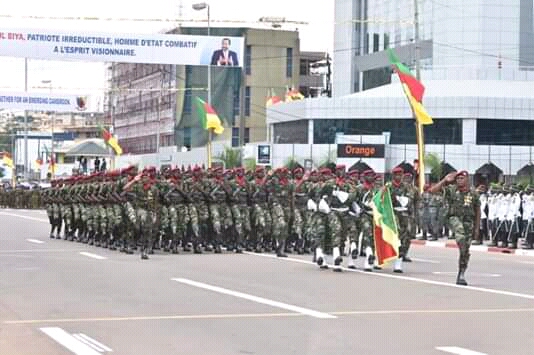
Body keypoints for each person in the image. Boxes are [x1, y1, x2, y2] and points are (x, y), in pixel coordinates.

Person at [430, 171, 480, 286]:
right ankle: (460, 239)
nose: (459, 180)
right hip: (454, 218)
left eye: (462, 178)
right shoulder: (451, 189)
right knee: (460, 233)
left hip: (468, 222)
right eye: (457, 178)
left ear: (467, 179)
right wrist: (444, 180)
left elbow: (477, 210)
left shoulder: (473, 193)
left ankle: (461, 273)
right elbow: (432, 191)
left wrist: (477, 228)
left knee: (465, 250)